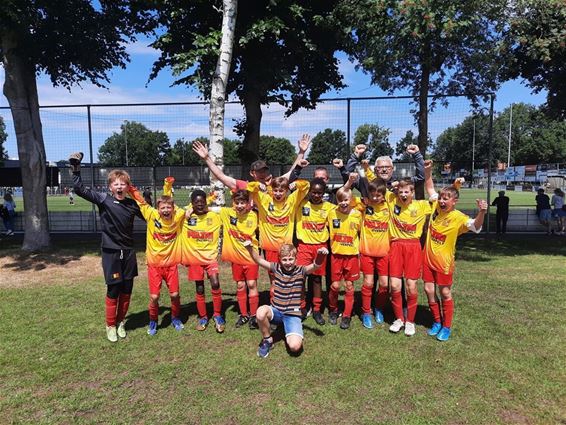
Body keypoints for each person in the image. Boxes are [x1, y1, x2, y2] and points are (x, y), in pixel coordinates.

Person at [70, 152, 143, 343]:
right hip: (111, 252)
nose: (119, 186)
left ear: (128, 187)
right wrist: (76, 169)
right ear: (110, 186)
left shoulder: (133, 205)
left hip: (128, 253)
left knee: (127, 289)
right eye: (116, 183)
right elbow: (79, 189)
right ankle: (110, 325)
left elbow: (151, 216)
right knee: (114, 290)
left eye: (123, 184)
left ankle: (120, 323)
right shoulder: (103, 200)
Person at [423, 160, 487, 341]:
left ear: (454, 201)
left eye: (446, 199)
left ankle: (447, 326)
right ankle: (436, 321)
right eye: (441, 198)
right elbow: (429, 186)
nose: (442, 201)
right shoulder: (436, 206)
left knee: (444, 293)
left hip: (444, 262)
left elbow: (475, 227)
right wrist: (428, 171)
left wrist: (481, 212)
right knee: (428, 290)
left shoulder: (458, 217)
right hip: (427, 258)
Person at [244, 240, 328, 358]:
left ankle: (288, 328)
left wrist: (320, 255)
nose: (287, 263)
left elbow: (315, 266)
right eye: (284, 259)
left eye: (290, 259)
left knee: (294, 347)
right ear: (280, 259)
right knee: (260, 312)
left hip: (292, 314)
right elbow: (258, 260)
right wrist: (249, 248)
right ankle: (268, 340)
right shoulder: (276, 268)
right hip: (276, 311)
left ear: (295, 259)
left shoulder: (301, 270)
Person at [129, 177, 186, 336]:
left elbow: (193, 208)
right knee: (154, 297)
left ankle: (175, 318)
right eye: (163, 207)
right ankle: (153, 320)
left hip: (171, 265)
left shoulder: (178, 215)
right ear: (158, 208)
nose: (166, 210)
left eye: (169, 207)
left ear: (173, 208)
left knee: (174, 294)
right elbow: (140, 201)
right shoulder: (151, 215)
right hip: (154, 265)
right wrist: (130, 188)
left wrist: (211, 199)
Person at [246, 176, 309, 298]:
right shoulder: (264, 200)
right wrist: (258, 185)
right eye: (275, 190)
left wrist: (295, 184)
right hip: (270, 248)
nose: (278, 193)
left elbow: (306, 185)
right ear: (271, 190)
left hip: (287, 249)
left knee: (290, 277)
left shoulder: (292, 200)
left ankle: (294, 305)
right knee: (274, 279)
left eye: (281, 191)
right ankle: (275, 305)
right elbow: (250, 187)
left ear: (286, 191)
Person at [388, 178, 432, 336]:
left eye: (407, 192)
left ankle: (410, 321)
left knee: (411, 286)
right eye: (401, 192)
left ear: (413, 192)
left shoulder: (421, 205)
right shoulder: (391, 201)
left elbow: (439, 200)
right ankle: (399, 318)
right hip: (396, 246)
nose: (403, 194)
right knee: (394, 286)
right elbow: (375, 184)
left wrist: (456, 186)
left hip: (413, 247)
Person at [191, 135, 312, 192]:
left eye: (264, 170)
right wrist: (207, 158)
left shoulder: (276, 184)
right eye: (259, 171)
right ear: (252, 173)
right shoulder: (245, 186)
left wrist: (301, 152)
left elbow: (292, 172)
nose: (263, 174)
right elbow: (221, 176)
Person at [182, 190, 226, 333]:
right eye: (196, 202)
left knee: (215, 283)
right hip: (195, 259)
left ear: (206, 203)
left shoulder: (214, 216)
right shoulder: (185, 217)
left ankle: (218, 315)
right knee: (199, 288)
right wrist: (188, 211)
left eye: (202, 202)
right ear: (192, 203)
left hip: (210, 258)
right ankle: (203, 317)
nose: (200, 205)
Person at [218, 190, 261, 329]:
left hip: (251, 258)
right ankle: (243, 314)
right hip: (236, 258)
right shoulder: (227, 213)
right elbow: (206, 209)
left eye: (243, 202)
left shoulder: (254, 216)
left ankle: (254, 316)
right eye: (237, 203)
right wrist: (188, 211)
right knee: (240, 285)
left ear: (248, 203)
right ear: (233, 203)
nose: (240, 205)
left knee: (252, 284)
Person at [295, 178, 334, 325]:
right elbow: (297, 186)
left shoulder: (329, 207)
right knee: (301, 277)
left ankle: (317, 310)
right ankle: (302, 307)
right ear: (309, 191)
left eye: (319, 192)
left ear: (324, 193)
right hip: (304, 246)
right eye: (313, 192)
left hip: (320, 247)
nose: (316, 195)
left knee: (317, 279)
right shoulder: (301, 204)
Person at [326, 175, 362, 330]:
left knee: (349, 286)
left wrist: (350, 184)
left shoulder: (358, 214)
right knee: (334, 286)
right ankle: (333, 310)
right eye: (340, 200)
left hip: (352, 256)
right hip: (336, 255)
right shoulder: (331, 212)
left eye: (347, 200)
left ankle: (347, 315)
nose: (343, 203)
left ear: (352, 200)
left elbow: (366, 199)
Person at [356, 178, 391, 329]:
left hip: (384, 252)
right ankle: (365, 312)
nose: (375, 197)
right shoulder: (364, 205)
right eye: (373, 194)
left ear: (384, 195)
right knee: (368, 283)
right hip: (367, 252)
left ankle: (379, 309)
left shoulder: (389, 206)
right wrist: (363, 201)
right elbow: (346, 200)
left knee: (384, 284)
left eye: (379, 195)